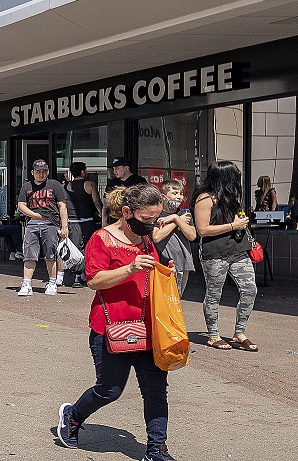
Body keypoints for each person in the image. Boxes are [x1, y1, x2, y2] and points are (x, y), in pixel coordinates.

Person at [53, 183, 174, 458]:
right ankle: (72, 416)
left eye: (155, 219)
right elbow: (94, 280)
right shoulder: (101, 239)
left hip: (148, 327)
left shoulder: (146, 239)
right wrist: (129, 268)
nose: (152, 224)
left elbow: (151, 272)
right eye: (146, 219)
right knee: (109, 390)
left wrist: (166, 272)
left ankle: (157, 449)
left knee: (156, 392)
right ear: (127, 212)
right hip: (111, 328)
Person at [194, 161, 258, 352]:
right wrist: (233, 226)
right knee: (214, 294)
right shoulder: (204, 199)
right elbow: (202, 230)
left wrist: (241, 222)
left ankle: (239, 332)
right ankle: (213, 334)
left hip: (237, 250)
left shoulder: (231, 197)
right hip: (215, 253)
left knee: (250, 289)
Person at [17, 160, 70, 295]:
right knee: (29, 254)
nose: (41, 174)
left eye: (44, 171)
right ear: (32, 173)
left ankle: (52, 283)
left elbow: (62, 206)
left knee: (50, 255)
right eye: (38, 172)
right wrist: (34, 215)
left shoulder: (55, 185)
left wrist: (65, 226)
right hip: (32, 225)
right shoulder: (27, 186)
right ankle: (26, 283)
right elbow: (21, 205)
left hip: (51, 224)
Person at [154, 179, 197, 298]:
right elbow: (156, 237)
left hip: (183, 262)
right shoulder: (157, 214)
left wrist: (176, 218)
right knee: (164, 299)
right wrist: (176, 221)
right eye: (174, 193)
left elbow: (192, 236)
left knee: (176, 298)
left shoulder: (185, 214)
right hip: (164, 262)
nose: (178, 197)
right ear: (163, 196)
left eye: (181, 194)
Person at [65, 164, 101, 286]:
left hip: (72, 222)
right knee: (88, 248)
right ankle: (86, 274)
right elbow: (97, 202)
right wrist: (103, 216)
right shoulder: (90, 185)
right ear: (82, 171)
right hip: (87, 221)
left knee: (75, 249)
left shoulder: (67, 186)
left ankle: (77, 276)